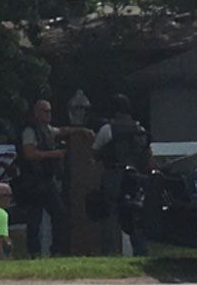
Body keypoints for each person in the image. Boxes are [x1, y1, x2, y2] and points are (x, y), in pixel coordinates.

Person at [16, 99, 85, 257]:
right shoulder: (29, 130)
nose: (49, 114)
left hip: (47, 179)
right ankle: (34, 253)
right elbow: (29, 153)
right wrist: (53, 154)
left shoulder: (46, 129)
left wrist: (80, 130)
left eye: (50, 111)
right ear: (36, 112)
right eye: (45, 111)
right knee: (34, 219)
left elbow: (61, 131)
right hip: (32, 181)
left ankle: (56, 251)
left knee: (59, 214)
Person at [92, 94, 152, 256]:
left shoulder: (107, 129)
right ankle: (141, 251)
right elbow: (146, 154)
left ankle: (109, 252)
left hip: (113, 174)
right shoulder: (139, 129)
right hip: (134, 176)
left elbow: (95, 152)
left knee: (110, 214)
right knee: (135, 216)